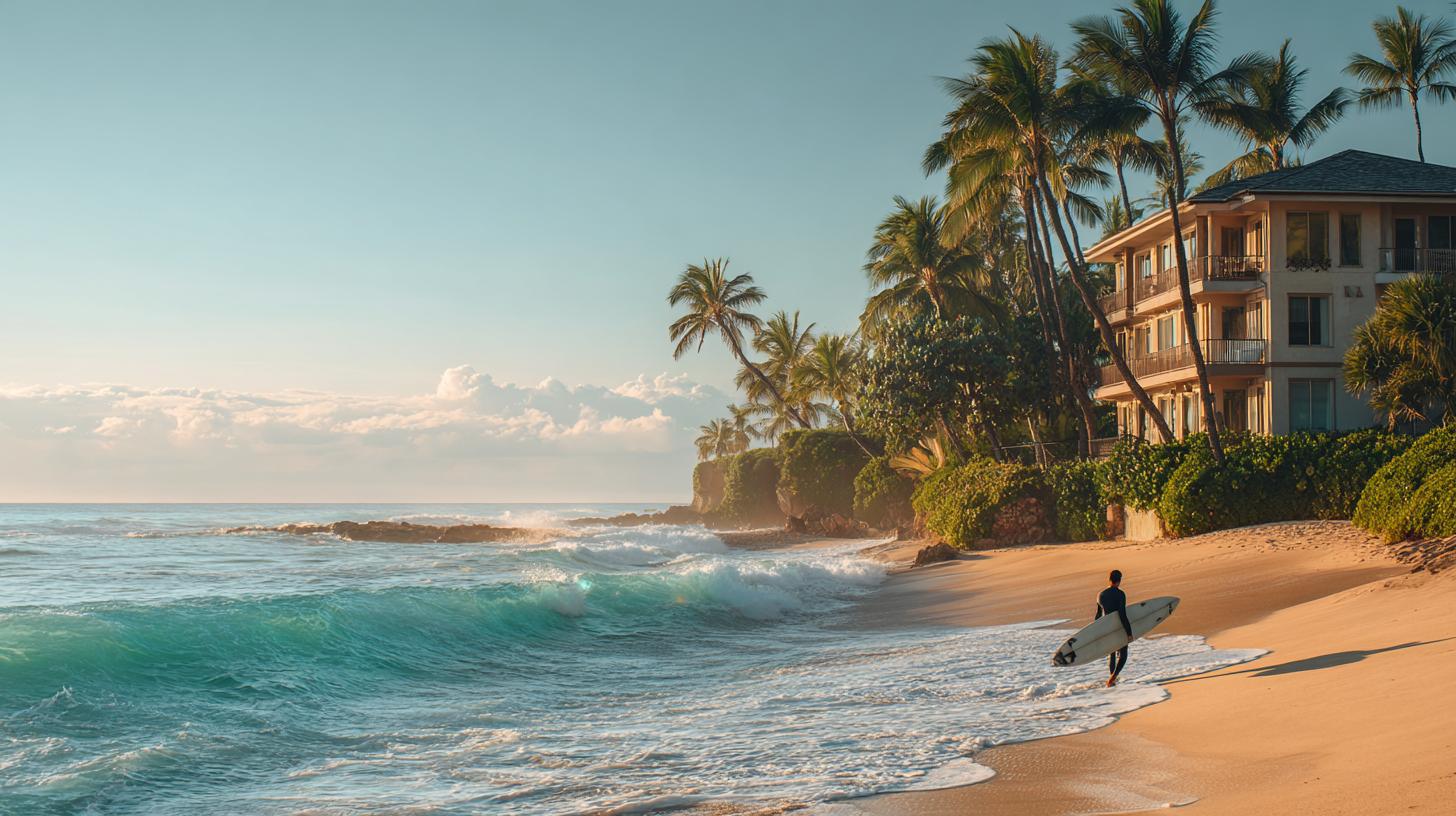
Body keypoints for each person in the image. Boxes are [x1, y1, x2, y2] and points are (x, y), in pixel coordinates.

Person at [1095, 569, 1133, 687]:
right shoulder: (1120, 594)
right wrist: (1129, 632)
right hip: (1118, 627)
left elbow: (1097, 616)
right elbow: (1122, 614)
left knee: (1112, 653)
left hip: (1107, 627)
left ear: (1109, 579)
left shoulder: (1100, 595)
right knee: (1123, 654)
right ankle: (1113, 677)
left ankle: (1111, 678)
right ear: (1119, 580)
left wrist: (1097, 632)